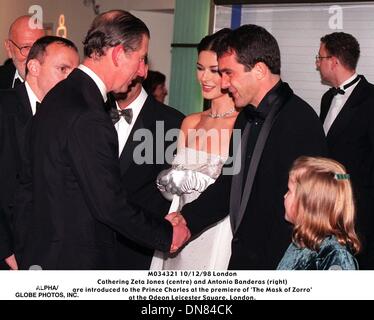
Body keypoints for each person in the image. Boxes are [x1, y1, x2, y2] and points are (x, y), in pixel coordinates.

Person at [12, 10, 189, 270]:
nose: (142, 71)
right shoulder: (88, 114)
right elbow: (110, 205)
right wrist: (167, 233)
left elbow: (27, 186)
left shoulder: (59, 96)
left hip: (43, 255)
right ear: (118, 54)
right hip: (74, 264)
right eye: (140, 59)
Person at [169, 24, 327, 270]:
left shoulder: (301, 121)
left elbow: (312, 210)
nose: (223, 83)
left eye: (229, 73)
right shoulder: (245, 118)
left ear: (260, 70)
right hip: (243, 257)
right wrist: (185, 219)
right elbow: (228, 185)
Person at [151, 28, 238, 270]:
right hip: (178, 227)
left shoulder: (241, 126)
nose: (204, 78)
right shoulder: (190, 122)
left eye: (214, 71)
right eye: (200, 68)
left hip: (218, 234)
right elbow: (176, 190)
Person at [0, 36, 80, 270]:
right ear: (34, 67)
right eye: (62, 69)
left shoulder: (73, 117)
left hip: (50, 250)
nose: (69, 79)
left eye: (74, 72)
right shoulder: (4, 108)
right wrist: (6, 249)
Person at [107, 60, 184, 269]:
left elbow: (177, 195)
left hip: (141, 253)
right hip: (89, 251)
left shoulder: (173, 123)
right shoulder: (90, 114)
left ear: (141, 68)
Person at [317, 32, 374, 269]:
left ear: (334, 61)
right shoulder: (326, 98)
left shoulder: (372, 99)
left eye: (320, 58)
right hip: (327, 209)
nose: (317, 64)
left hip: (361, 214)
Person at [277, 156, 360, 270]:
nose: (285, 195)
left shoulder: (334, 254)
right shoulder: (303, 241)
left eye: (290, 190)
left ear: (310, 204)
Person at [0, 15, 46, 89]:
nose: (33, 56)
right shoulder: (2, 79)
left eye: (39, 47)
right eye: (26, 47)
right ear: (9, 48)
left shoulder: (58, 83)